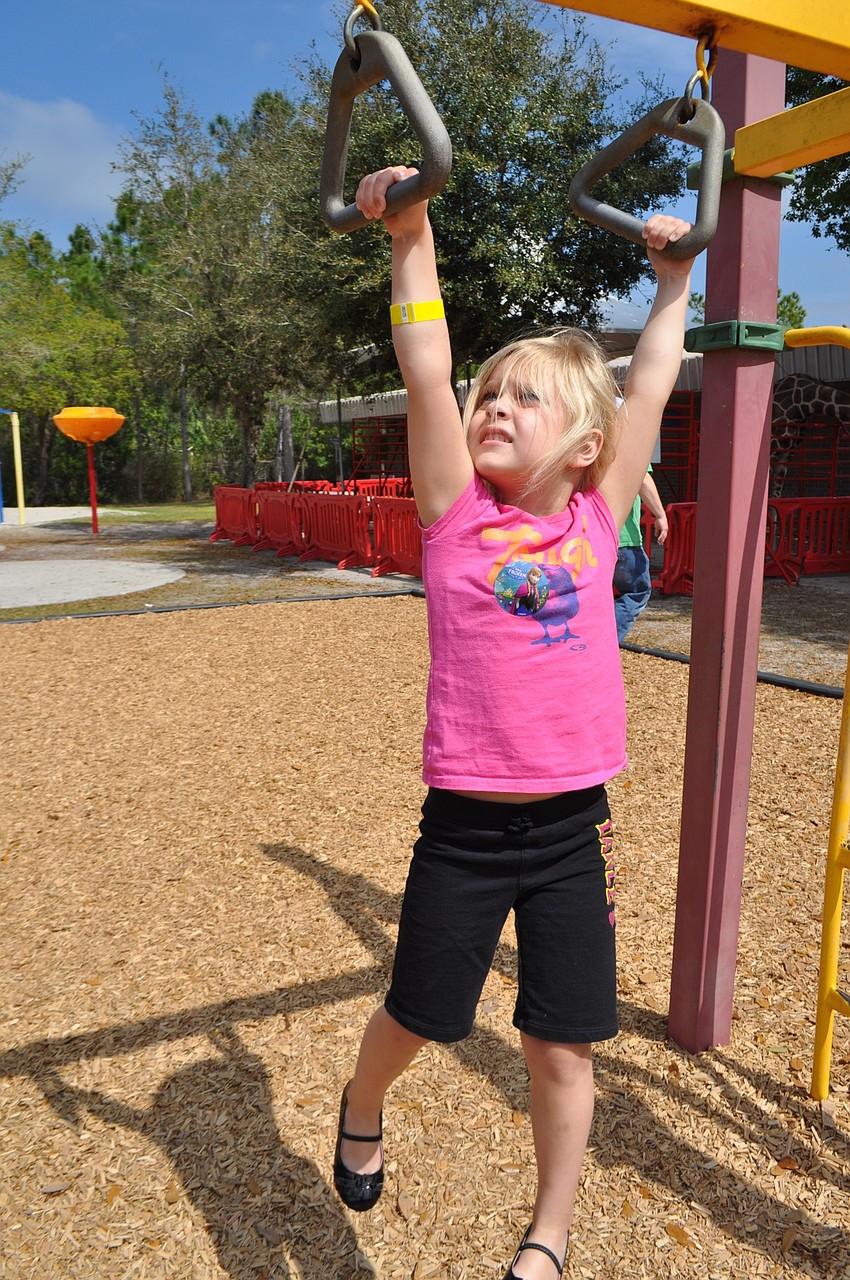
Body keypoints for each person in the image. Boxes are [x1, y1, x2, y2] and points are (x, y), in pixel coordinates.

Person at [332, 164, 694, 1280]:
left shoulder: (593, 521)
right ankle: (360, 1096)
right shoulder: (454, 518)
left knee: (560, 1044)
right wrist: (410, 232)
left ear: (586, 446)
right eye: (495, 392)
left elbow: (650, 386)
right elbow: (425, 363)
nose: (495, 404)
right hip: (464, 831)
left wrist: (673, 280)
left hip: (569, 833)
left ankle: (550, 1228)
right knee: (421, 1014)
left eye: (525, 398)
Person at [613, 469, 668, 643]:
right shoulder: (629, 443)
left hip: (588, 537)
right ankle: (602, 644)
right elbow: (642, 478)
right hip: (623, 538)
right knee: (637, 591)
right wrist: (660, 514)